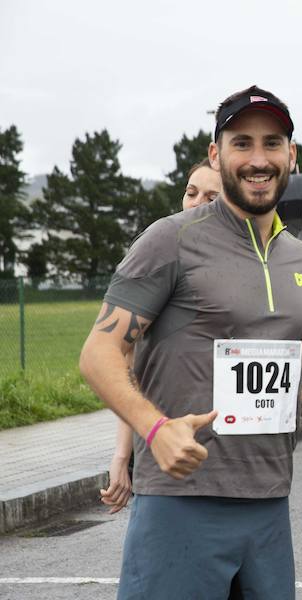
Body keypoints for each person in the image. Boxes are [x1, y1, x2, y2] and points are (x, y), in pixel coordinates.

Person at [80, 85, 302, 599]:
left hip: (268, 504)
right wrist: (154, 430)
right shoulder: (170, 240)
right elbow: (99, 353)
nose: (258, 159)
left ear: (291, 154)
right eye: (242, 143)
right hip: (181, 502)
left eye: (272, 143)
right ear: (217, 155)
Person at [102, 157, 225, 515]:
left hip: (238, 473)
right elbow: (127, 362)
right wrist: (124, 454)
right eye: (191, 193)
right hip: (168, 464)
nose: (197, 204)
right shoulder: (162, 255)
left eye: (211, 197)